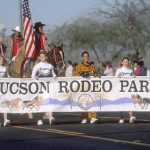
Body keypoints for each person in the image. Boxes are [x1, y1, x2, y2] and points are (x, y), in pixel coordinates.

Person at [31, 51, 57, 125]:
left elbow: (53, 74)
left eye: (43, 56)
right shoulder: (37, 66)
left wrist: (54, 77)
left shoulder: (50, 66)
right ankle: (39, 119)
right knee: (39, 102)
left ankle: (50, 118)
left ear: (46, 57)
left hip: (48, 87)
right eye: (41, 56)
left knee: (49, 101)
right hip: (39, 87)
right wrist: (35, 77)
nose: (42, 58)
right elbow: (32, 76)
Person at [74, 51, 100, 124]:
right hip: (82, 87)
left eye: (87, 56)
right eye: (84, 56)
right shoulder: (79, 66)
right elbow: (76, 76)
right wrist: (84, 73)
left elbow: (97, 74)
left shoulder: (92, 66)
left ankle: (93, 116)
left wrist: (93, 74)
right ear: (82, 58)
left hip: (91, 87)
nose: (86, 58)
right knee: (83, 101)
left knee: (91, 100)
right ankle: (84, 116)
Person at [115, 57, 136, 123]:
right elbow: (114, 79)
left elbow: (133, 78)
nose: (126, 63)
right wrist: (117, 77)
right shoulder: (119, 70)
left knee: (129, 102)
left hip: (128, 89)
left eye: (127, 62)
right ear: (122, 62)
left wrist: (134, 76)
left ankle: (131, 117)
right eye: (125, 62)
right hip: (121, 89)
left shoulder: (130, 70)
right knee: (121, 102)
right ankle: (121, 118)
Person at [0, 55, 11, 126]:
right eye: (1, 59)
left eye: (3, 60)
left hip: (3, 89)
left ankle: (5, 120)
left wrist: (9, 77)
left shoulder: (5, 68)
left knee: (5, 104)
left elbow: (8, 76)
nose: (2, 61)